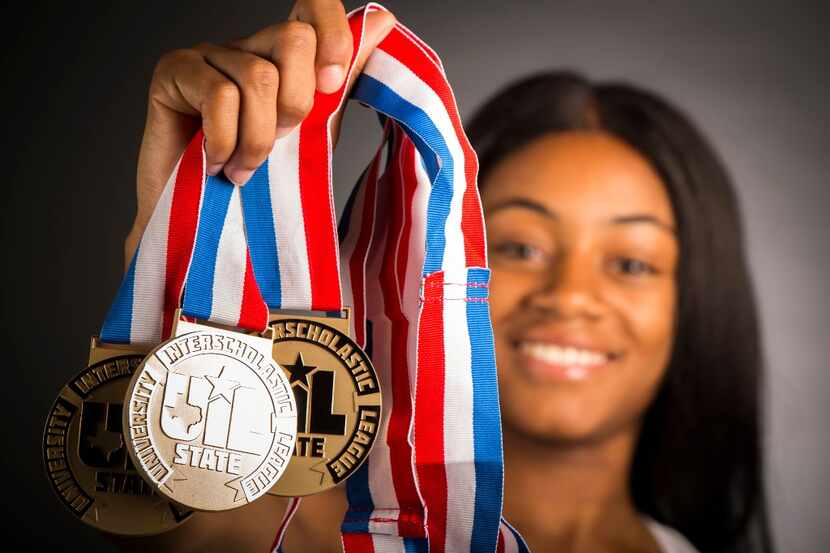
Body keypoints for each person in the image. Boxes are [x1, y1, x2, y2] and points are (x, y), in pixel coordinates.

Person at [113, 2, 774, 552]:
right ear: (432, 263)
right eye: (519, 246)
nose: (569, 294)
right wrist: (175, 279)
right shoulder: (277, 528)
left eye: (631, 262)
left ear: (694, 303)